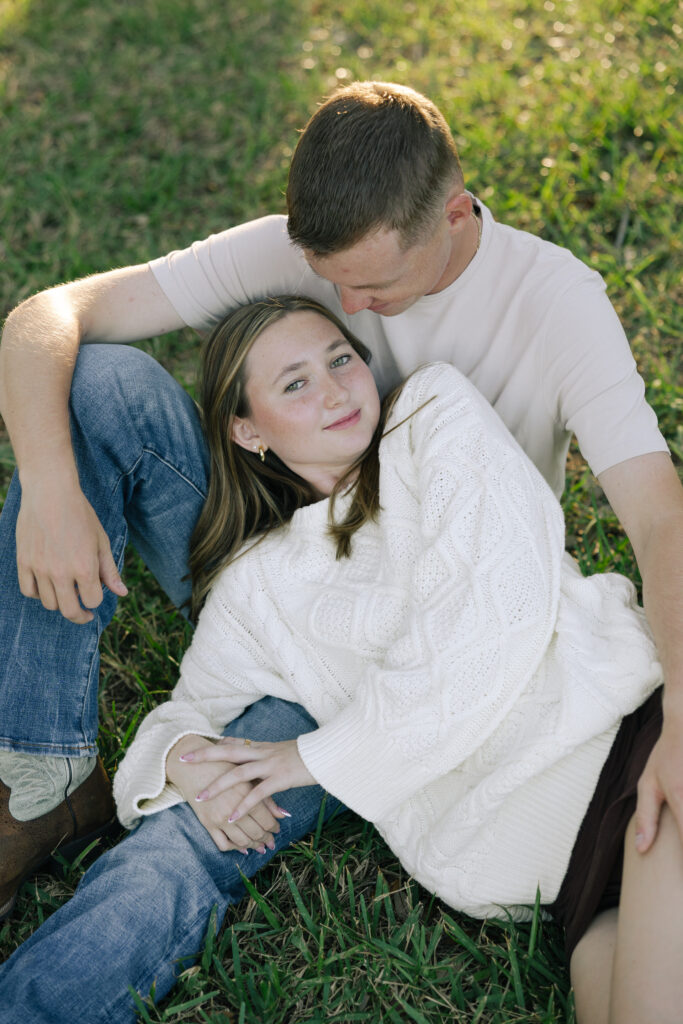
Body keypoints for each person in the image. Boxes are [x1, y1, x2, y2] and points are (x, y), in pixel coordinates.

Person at [0, 79, 681, 1011]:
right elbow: (50, 315)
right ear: (246, 428)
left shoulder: (457, 391)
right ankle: (40, 772)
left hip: (506, 669)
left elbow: (651, 524)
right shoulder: (257, 582)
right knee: (199, 812)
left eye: (353, 326)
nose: (346, 309)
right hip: (327, 643)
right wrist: (49, 485)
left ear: (451, 214)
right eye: (326, 290)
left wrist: (307, 761)